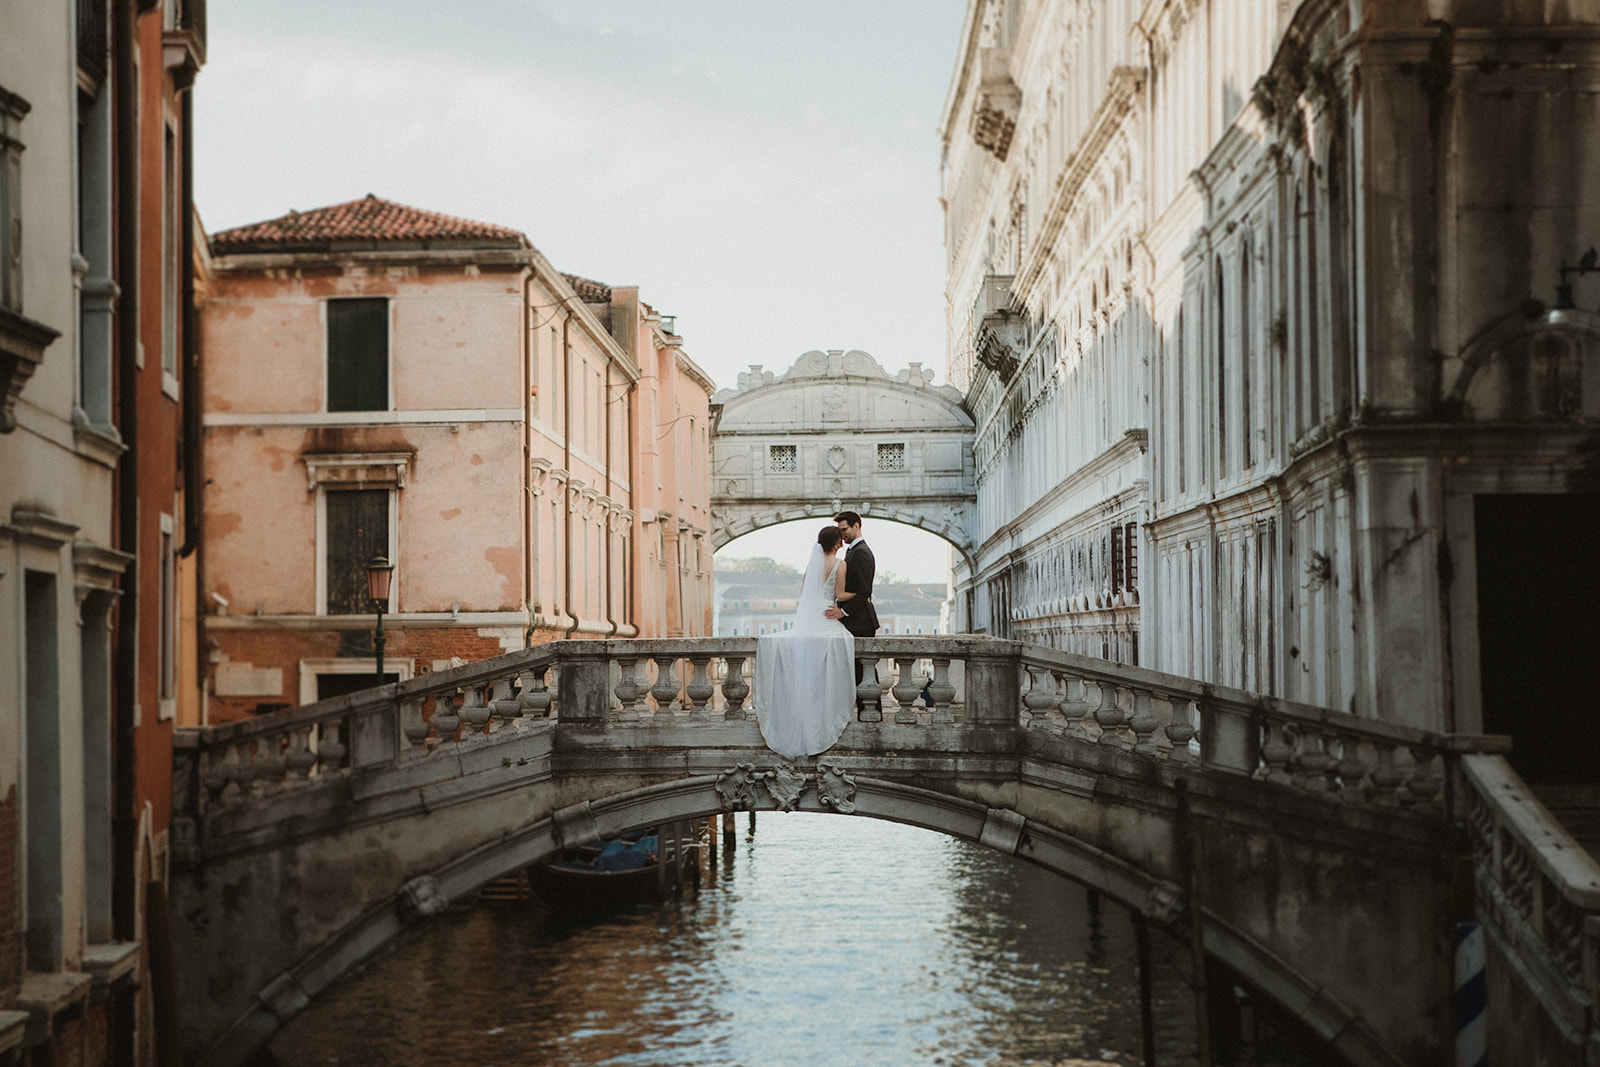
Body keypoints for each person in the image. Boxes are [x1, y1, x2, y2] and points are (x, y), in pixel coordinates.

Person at [753, 525, 856, 760]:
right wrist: (862, 595)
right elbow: (839, 595)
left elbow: (805, 593)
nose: (842, 543)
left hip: (811, 614)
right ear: (836, 544)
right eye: (840, 540)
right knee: (841, 641)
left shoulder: (812, 565)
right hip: (827, 613)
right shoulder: (840, 564)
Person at [824, 511, 880, 710]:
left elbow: (865, 591)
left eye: (844, 530)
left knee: (864, 673)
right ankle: (867, 713)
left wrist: (843, 612)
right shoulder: (853, 551)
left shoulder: (862, 552)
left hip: (861, 621)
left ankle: (871, 715)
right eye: (839, 532)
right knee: (858, 673)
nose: (842, 536)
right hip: (856, 621)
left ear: (857, 526)